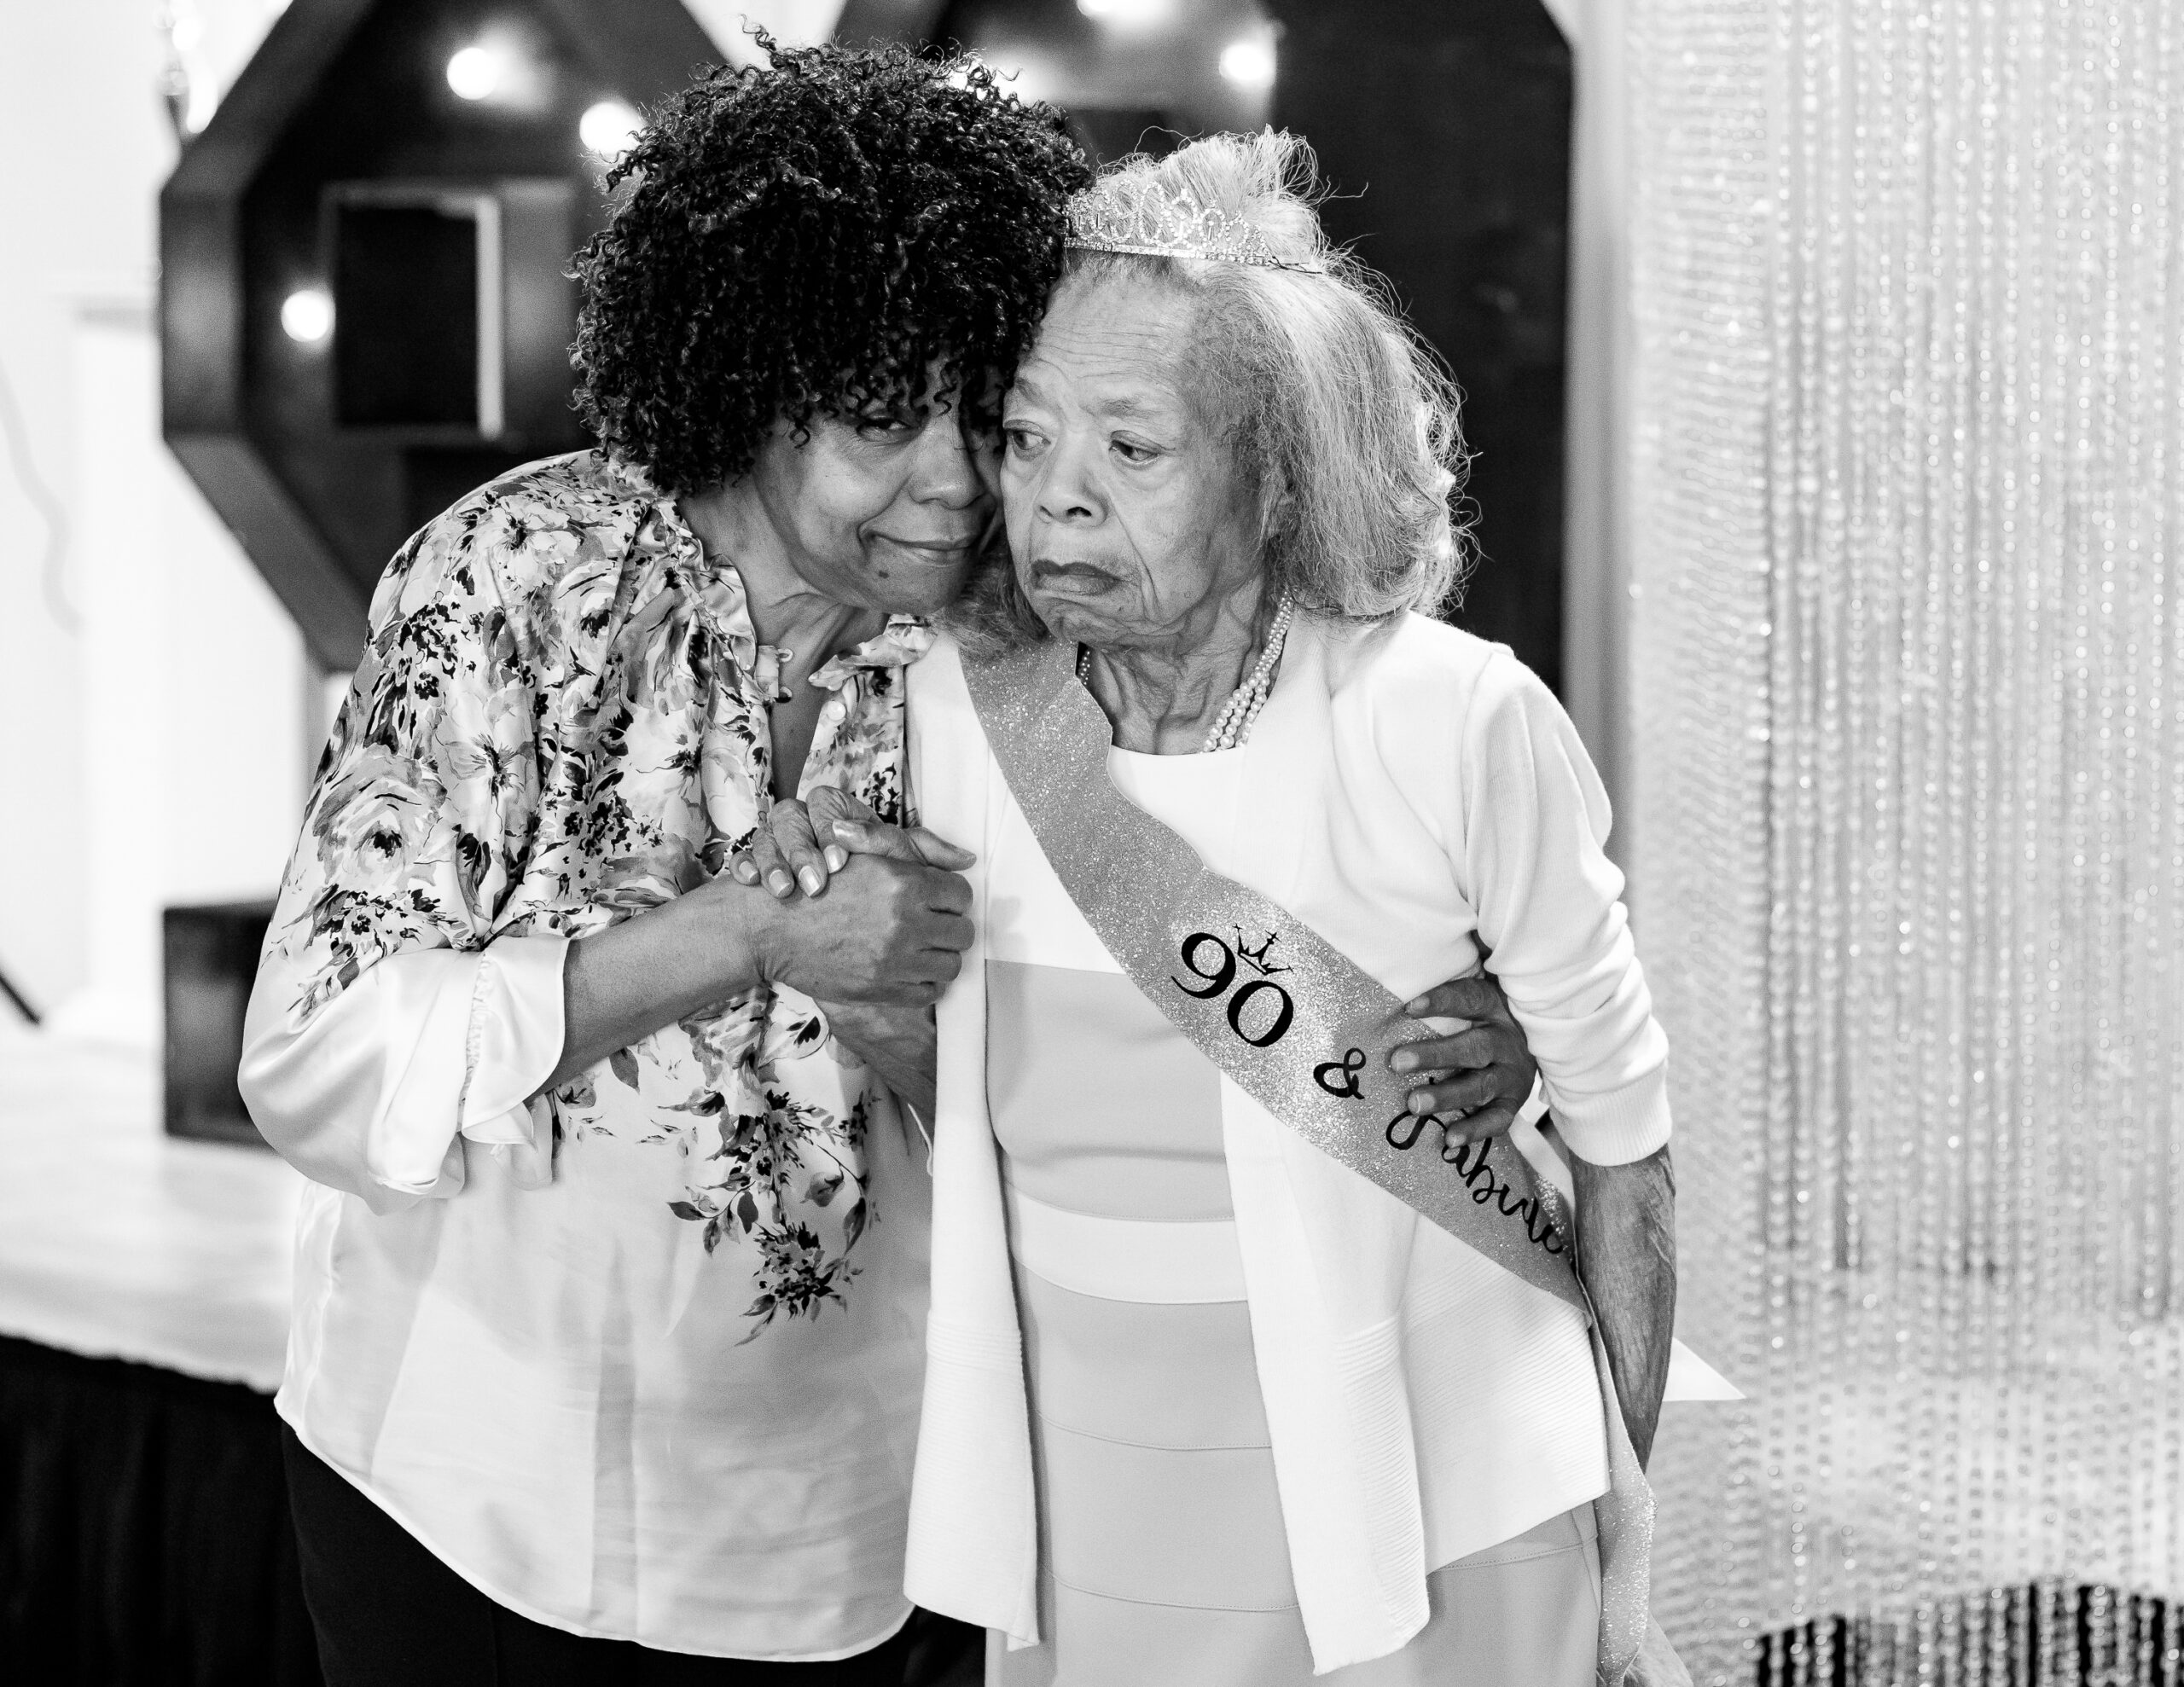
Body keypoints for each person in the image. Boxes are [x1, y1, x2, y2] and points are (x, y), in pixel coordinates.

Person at [238, 48, 1541, 1686]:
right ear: (747, 381)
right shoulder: (518, 586)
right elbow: (319, 1062)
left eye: (978, 418)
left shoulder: (1022, 642)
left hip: (858, 1529)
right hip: (462, 1485)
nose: (947, 490)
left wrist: (1459, 1034)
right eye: (875, 423)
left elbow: (1220, 958)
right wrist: (745, 935)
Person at [785, 132, 1682, 1685]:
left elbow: (1628, 1163)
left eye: (1132, 452)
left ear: (1277, 476)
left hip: (1436, 1501)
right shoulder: (950, 717)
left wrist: (1633, 1564)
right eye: (1025, 435)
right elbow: (973, 1105)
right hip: (1097, 1513)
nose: (1055, 502)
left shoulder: (1451, 722)